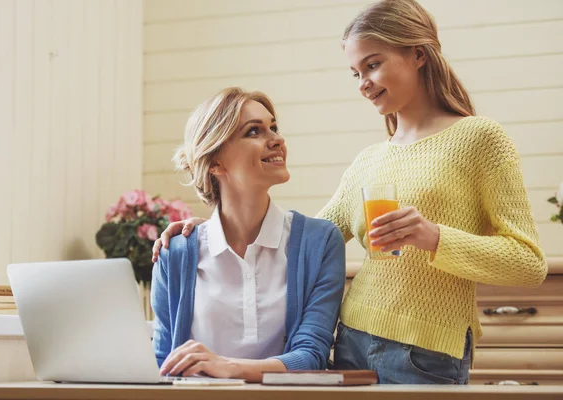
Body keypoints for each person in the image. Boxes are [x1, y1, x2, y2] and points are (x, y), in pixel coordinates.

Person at [151, 0, 547, 384]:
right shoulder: (369, 160)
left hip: (426, 353)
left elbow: (528, 263)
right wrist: (214, 229)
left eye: (373, 65)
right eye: (355, 73)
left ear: (419, 54)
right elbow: (307, 239)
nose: (364, 84)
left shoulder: (480, 139)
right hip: (350, 340)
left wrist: (434, 237)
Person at [151, 87, 345, 383]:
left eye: (274, 127)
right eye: (254, 131)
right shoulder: (175, 252)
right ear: (215, 161)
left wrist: (229, 367)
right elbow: (163, 362)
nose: (277, 140)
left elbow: (311, 355)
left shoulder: (320, 241)